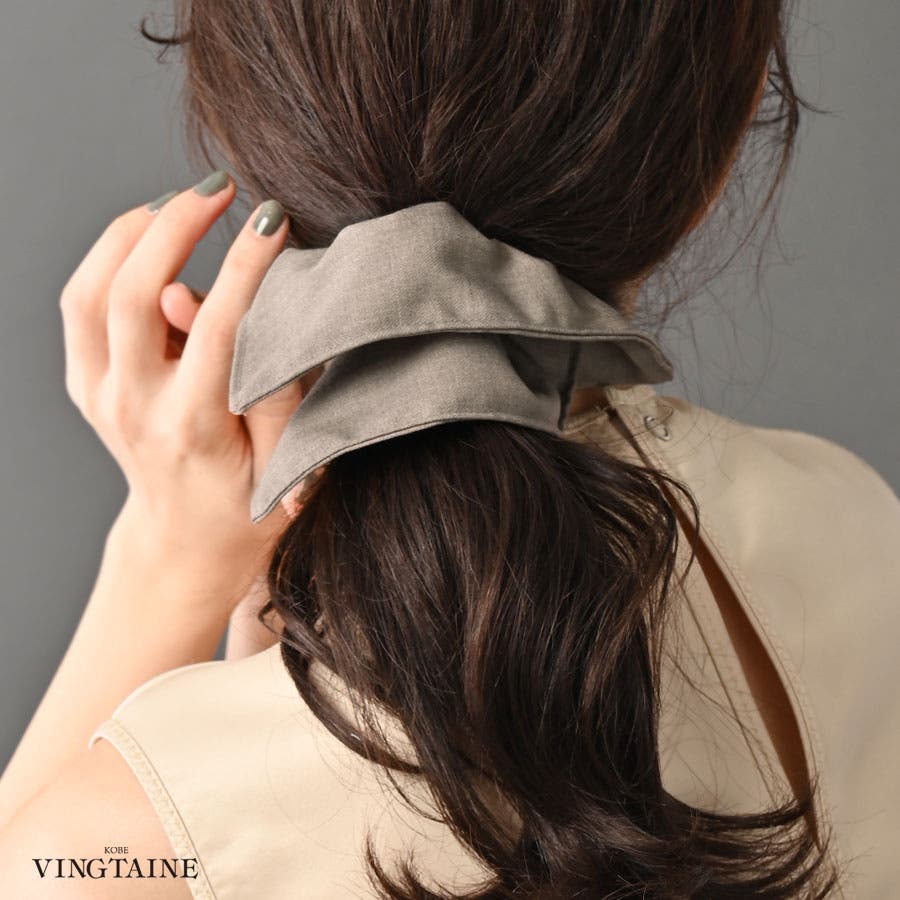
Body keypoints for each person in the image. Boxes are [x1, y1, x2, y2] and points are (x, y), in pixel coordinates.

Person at [0, 2, 897, 897]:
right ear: (720, 142)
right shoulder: (858, 528)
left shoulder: (113, 846)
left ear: (256, 126)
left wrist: (168, 558)